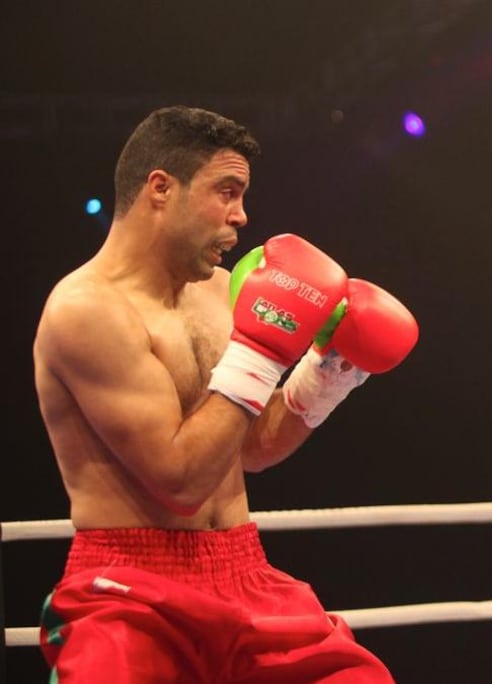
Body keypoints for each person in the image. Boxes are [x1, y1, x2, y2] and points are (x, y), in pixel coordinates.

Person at [32, 105, 418, 682]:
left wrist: (329, 370)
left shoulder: (219, 293)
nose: (241, 216)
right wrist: (262, 353)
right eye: (227, 191)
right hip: (131, 592)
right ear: (160, 188)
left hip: (246, 575)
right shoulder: (86, 310)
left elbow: (246, 448)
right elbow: (181, 482)